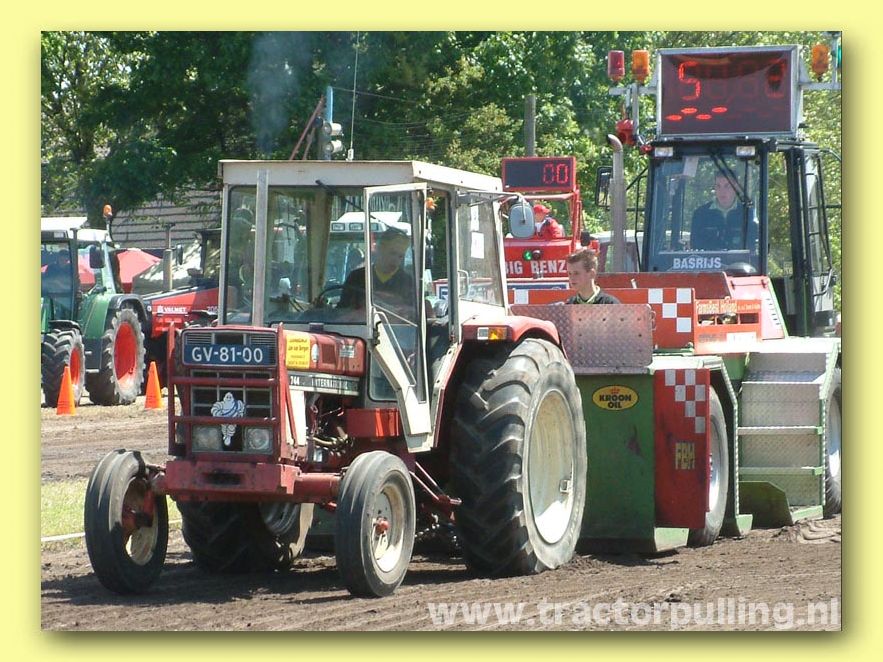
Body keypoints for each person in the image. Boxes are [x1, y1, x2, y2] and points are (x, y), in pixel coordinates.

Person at [338, 230, 415, 312]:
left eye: (400, 256)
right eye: (392, 253)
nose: (396, 260)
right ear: (379, 249)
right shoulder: (356, 277)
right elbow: (342, 311)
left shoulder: (408, 282)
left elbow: (413, 312)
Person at [691, 174, 758, 251]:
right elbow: (695, 248)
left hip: (739, 259)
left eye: (727, 186)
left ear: (735, 188)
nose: (722, 191)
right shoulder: (700, 214)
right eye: (718, 186)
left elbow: (752, 248)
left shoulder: (747, 213)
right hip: (709, 259)